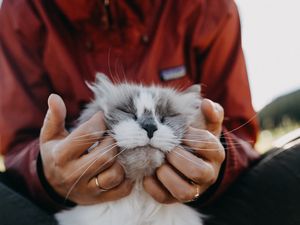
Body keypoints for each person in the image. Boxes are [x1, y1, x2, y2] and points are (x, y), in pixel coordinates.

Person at [0, 1, 299, 225]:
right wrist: (46, 172)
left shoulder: (211, 6)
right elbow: (19, 145)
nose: (148, 127)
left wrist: (214, 161)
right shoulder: (22, 10)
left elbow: (241, 132)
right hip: (63, 207)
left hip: (203, 206)